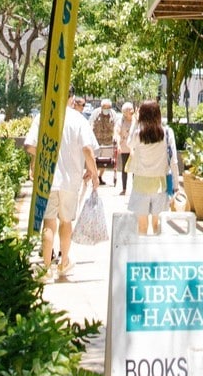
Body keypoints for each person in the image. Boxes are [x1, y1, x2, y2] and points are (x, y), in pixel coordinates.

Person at [25, 94, 98, 280]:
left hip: (48, 178)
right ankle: (64, 262)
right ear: (71, 98)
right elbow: (88, 149)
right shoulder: (78, 119)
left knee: (49, 222)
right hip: (71, 180)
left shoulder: (43, 116)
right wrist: (93, 172)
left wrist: (43, 156)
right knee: (66, 222)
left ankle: (46, 267)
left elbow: (29, 146)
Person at [126, 99, 178, 236]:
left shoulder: (138, 134)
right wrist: (176, 185)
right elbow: (174, 161)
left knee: (142, 226)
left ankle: (142, 255)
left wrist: (134, 122)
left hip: (140, 184)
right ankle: (157, 255)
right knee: (158, 226)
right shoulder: (167, 133)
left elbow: (129, 144)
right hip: (160, 184)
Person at [91, 97, 117, 185]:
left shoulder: (113, 114)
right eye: (104, 107)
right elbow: (90, 124)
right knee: (95, 160)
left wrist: (116, 137)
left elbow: (117, 127)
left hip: (108, 142)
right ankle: (94, 176)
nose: (106, 109)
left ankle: (100, 176)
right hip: (96, 141)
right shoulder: (96, 113)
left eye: (108, 108)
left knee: (105, 162)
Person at [116, 100, 136, 193]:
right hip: (125, 147)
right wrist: (118, 145)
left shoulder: (136, 120)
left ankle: (136, 188)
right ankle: (124, 189)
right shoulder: (121, 121)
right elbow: (117, 133)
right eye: (129, 109)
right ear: (124, 112)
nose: (132, 110)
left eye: (132, 108)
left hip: (135, 147)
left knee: (135, 168)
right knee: (125, 168)